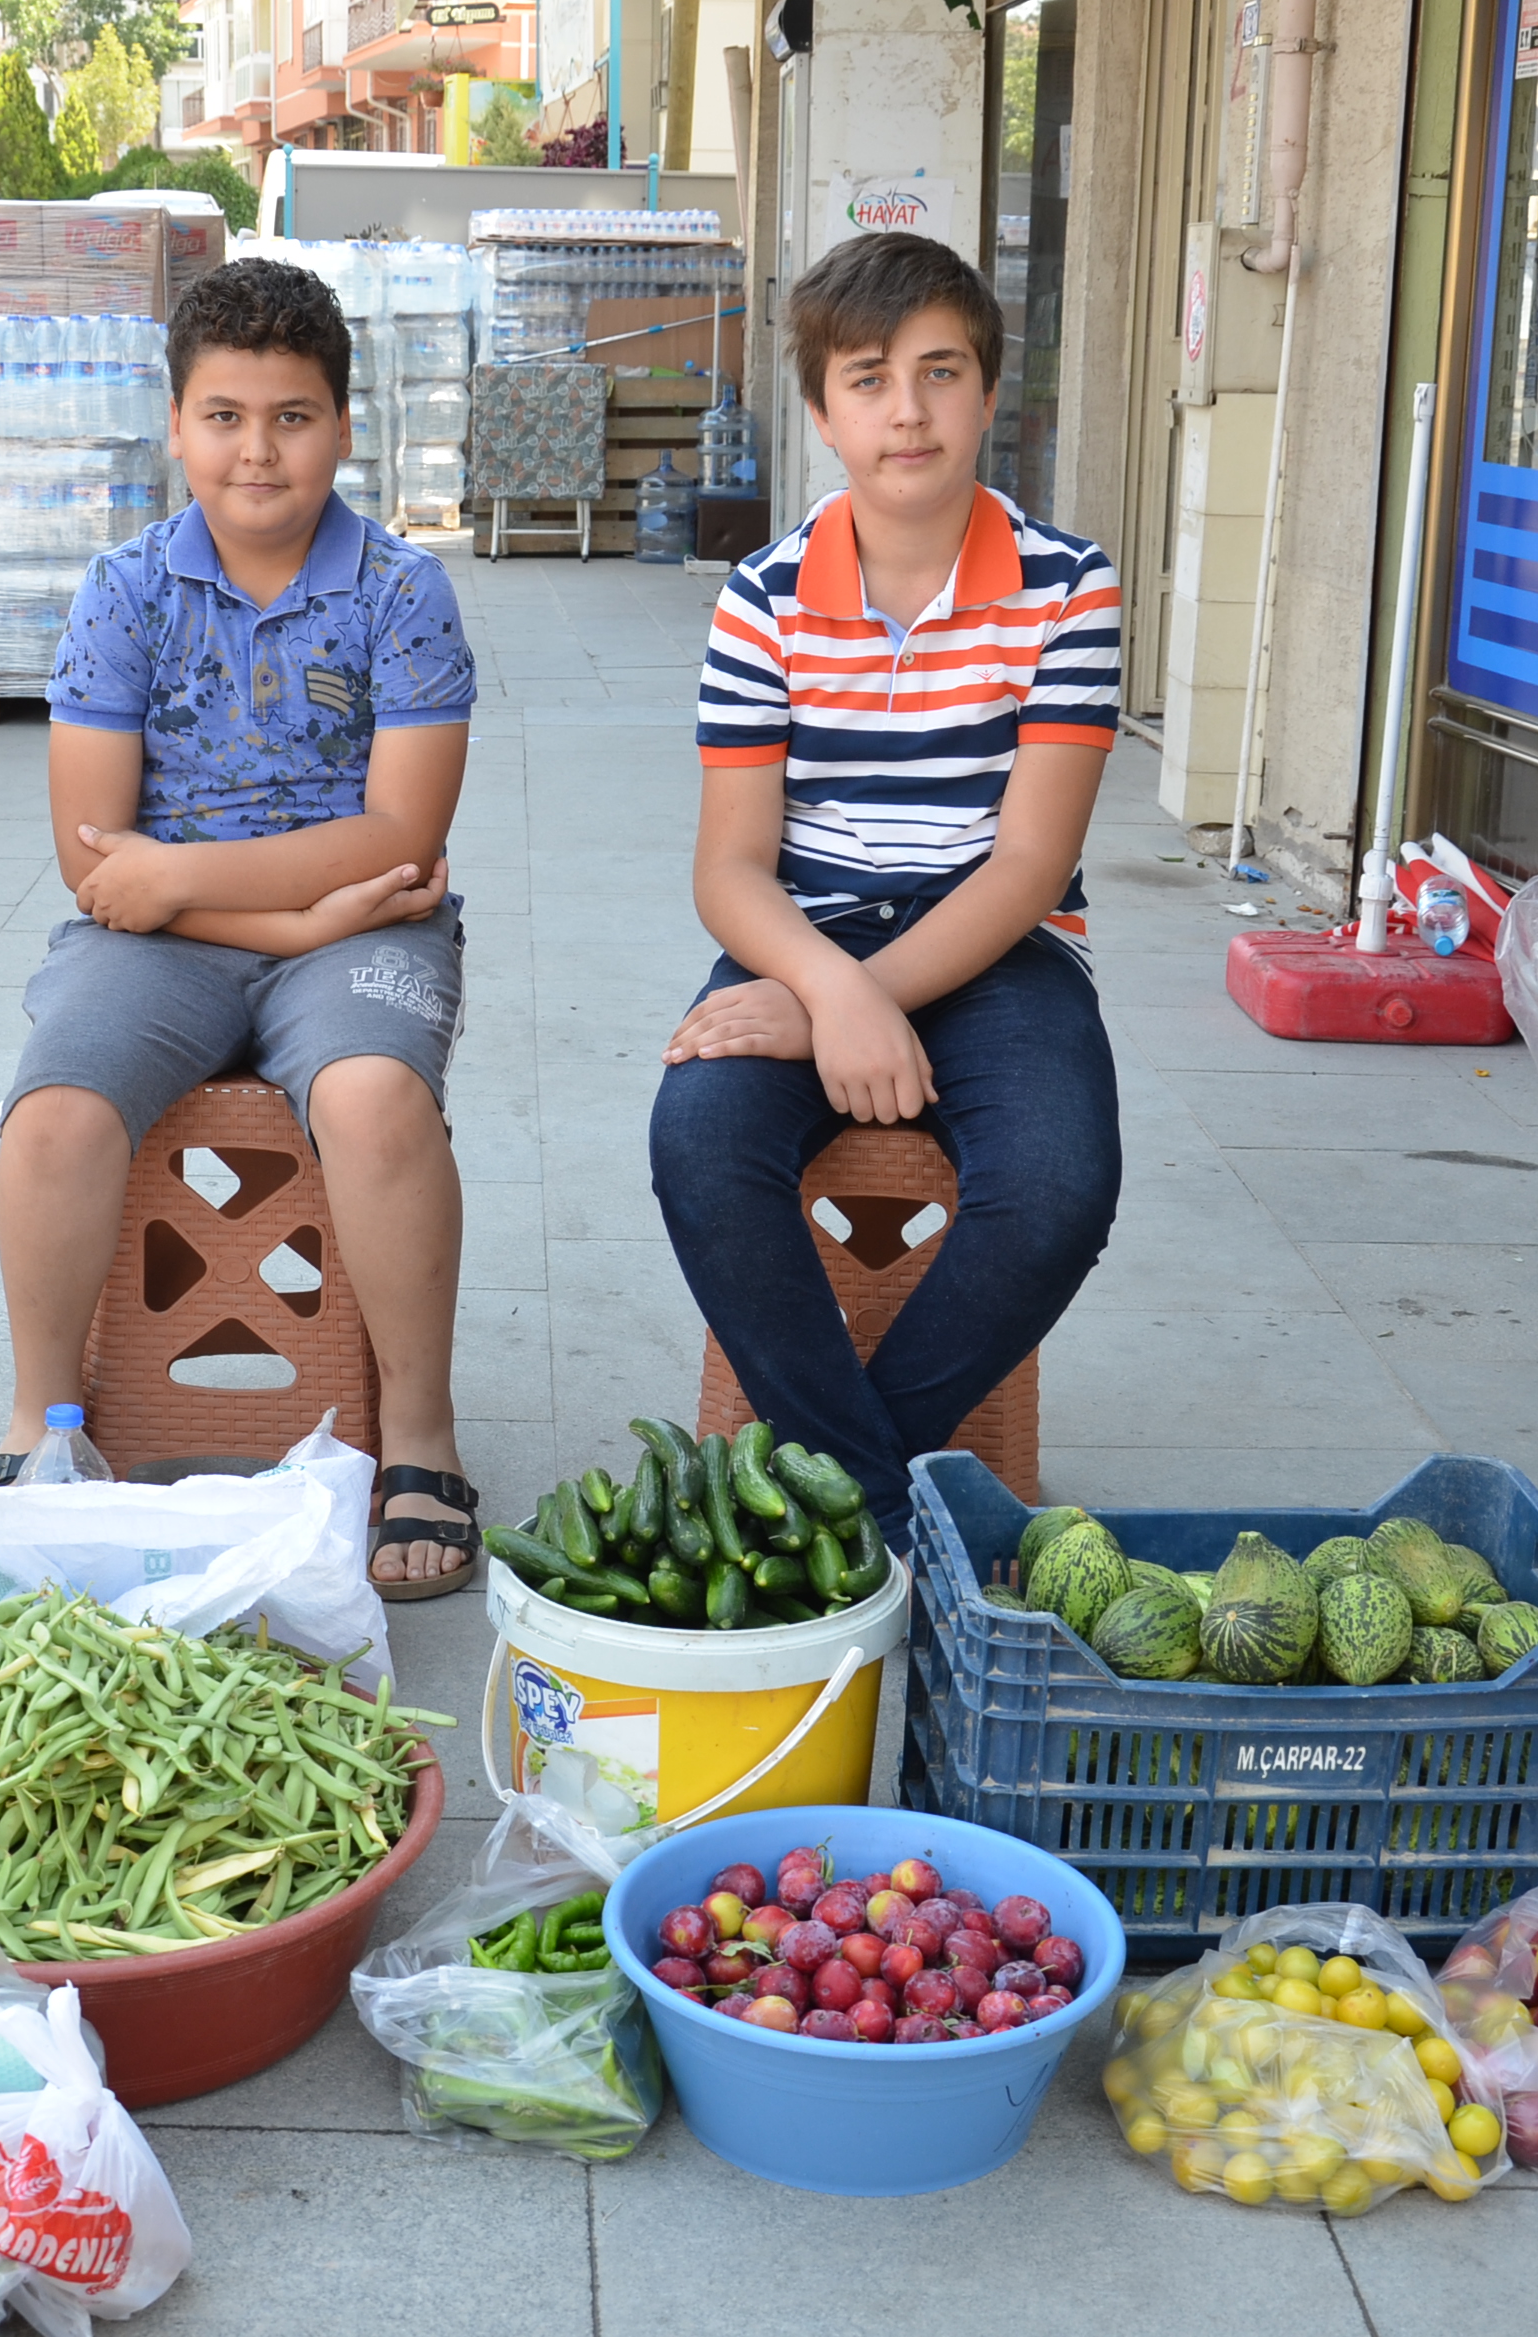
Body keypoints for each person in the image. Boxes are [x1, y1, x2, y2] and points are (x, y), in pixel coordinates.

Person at [0, 256, 487, 1599]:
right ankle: (42, 1427)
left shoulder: (399, 591)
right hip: (173, 938)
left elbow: (401, 837)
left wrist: (231, 891)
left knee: (379, 1100)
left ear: (342, 426)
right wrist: (292, 912)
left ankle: (421, 1442)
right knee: (54, 1116)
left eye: (293, 415)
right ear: (175, 427)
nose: (257, 450)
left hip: (364, 929)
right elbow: (97, 864)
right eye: (224, 415)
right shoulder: (125, 592)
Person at [648, 231, 1125, 1539]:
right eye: (868, 378)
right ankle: (877, 1502)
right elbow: (731, 865)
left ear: (988, 393)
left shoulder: (1065, 587)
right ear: (820, 410)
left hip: (1000, 948)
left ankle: (832, 1493)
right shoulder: (762, 599)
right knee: (697, 1141)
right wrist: (817, 987)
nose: (906, 411)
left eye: (940, 372)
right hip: (802, 933)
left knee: (1060, 1183)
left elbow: (1029, 865)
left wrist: (849, 1007)